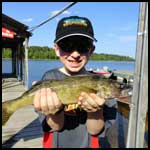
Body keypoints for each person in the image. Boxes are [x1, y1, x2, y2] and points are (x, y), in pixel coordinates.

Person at [33, 16, 116, 148]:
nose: (75, 53)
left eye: (83, 46)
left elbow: (94, 130)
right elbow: (56, 126)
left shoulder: (101, 83)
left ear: (91, 50)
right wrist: (56, 111)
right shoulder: (49, 78)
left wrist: (95, 111)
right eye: (67, 45)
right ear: (56, 49)